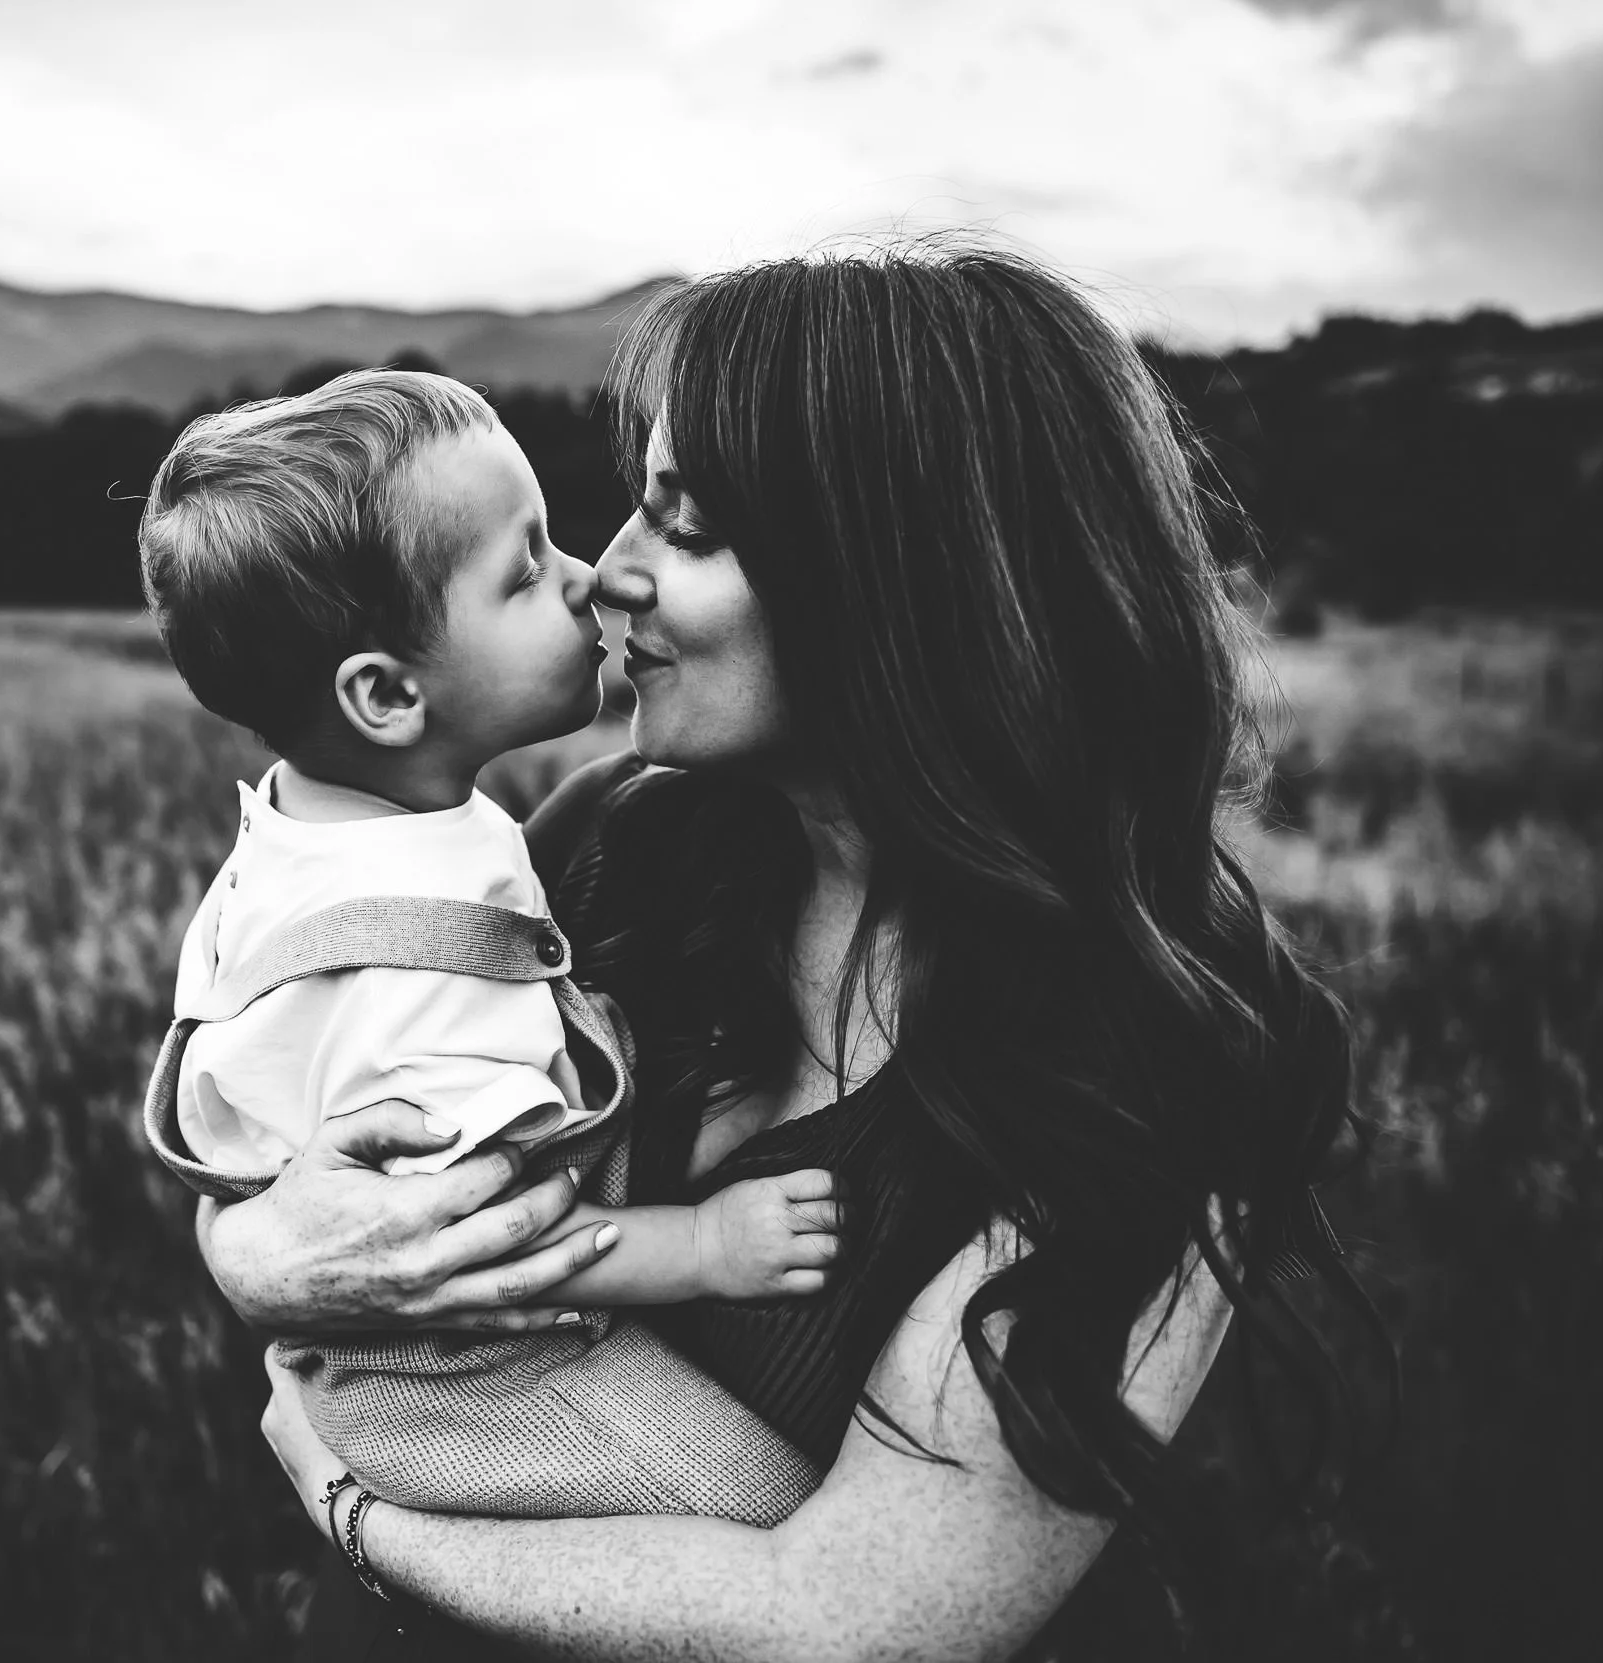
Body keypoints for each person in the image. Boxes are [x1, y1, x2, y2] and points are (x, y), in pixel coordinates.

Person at [199, 244, 1384, 1659]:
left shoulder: (1160, 1062)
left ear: (904, 585)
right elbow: (323, 1129)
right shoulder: (608, 847)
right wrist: (258, 1251)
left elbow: (857, 1620)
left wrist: (352, 1509)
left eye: (683, 531)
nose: (607, 580)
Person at [134, 368, 840, 1525]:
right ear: (384, 694)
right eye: (524, 570)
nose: (590, 579)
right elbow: (486, 1232)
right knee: (761, 1514)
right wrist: (705, 1244)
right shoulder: (423, 963)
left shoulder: (309, 840)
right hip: (464, 1378)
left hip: (396, 1370)